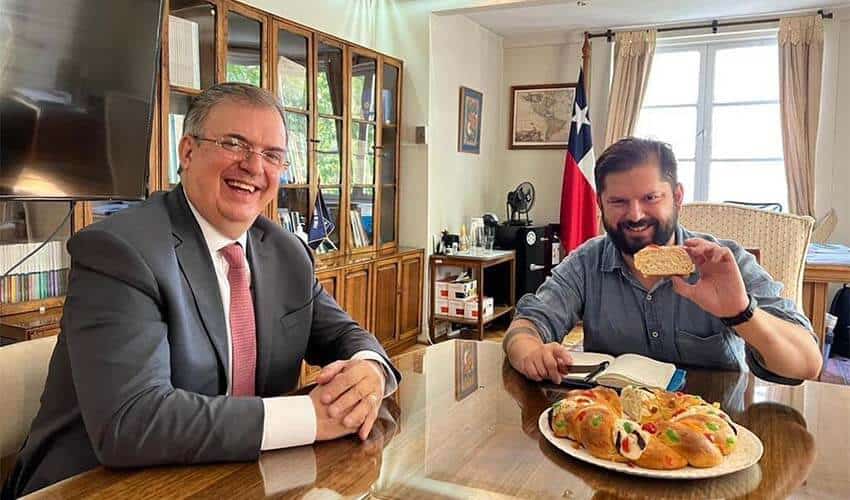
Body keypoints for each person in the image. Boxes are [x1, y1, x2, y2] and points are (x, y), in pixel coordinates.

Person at [4, 83, 400, 498]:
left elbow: (345, 336)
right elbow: (132, 422)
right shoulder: (122, 250)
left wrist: (370, 370)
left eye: (272, 155)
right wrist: (310, 417)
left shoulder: (286, 252)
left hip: (232, 477)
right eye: (234, 143)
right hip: (94, 485)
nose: (253, 166)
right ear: (188, 152)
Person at [503, 137, 822, 386]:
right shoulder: (587, 262)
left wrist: (741, 312)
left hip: (711, 431)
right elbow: (527, 324)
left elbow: (807, 363)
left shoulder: (724, 263)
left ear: (678, 197)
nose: (635, 215)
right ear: (600, 204)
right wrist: (530, 352)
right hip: (613, 433)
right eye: (618, 201)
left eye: (651, 198)